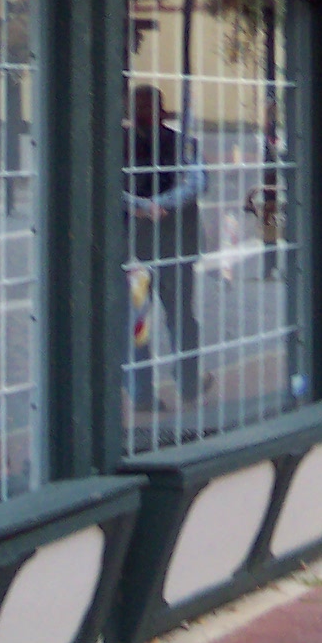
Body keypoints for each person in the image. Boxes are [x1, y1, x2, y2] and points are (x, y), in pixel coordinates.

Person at [125, 86, 204, 410]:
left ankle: (173, 386)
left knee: (152, 321)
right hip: (155, 245)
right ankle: (172, 386)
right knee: (155, 321)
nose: (143, 113)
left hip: (155, 245)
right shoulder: (183, 143)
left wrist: (146, 206)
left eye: (148, 107)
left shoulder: (121, 143)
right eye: (140, 107)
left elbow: (197, 183)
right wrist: (152, 206)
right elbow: (195, 184)